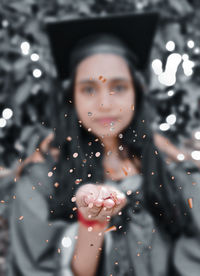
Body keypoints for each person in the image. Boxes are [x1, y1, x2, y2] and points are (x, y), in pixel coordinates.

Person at [7, 12, 200, 276]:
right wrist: (92, 224)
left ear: (137, 91)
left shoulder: (172, 174)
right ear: (71, 96)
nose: (104, 103)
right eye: (88, 89)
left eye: (118, 87)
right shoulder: (39, 183)